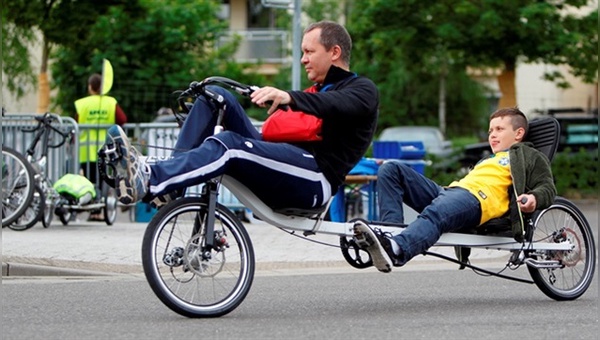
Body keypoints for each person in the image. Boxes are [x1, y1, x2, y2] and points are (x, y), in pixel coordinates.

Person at [101, 21, 379, 213]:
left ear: (334, 52)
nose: (303, 59)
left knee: (229, 143)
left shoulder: (361, 90)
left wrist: (289, 97)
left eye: (309, 52)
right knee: (215, 95)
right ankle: (172, 188)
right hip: (282, 161)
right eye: (302, 52)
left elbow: (336, 104)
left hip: (314, 179)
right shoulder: (315, 91)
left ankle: (151, 179)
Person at [354, 107, 557, 273]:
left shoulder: (529, 156)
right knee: (391, 169)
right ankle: (390, 234)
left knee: (436, 213)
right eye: (490, 131)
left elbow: (547, 187)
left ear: (519, 133)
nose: (492, 135)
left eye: (499, 129)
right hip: (452, 193)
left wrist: (533, 198)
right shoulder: (488, 160)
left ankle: (397, 250)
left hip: (478, 200)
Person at [75, 73, 127, 220]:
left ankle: (94, 210)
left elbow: (76, 123)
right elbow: (122, 119)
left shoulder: (82, 103)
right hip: (106, 149)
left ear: (90, 87)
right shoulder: (110, 102)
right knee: (105, 180)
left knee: (91, 181)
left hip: (86, 151)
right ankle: (100, 210)